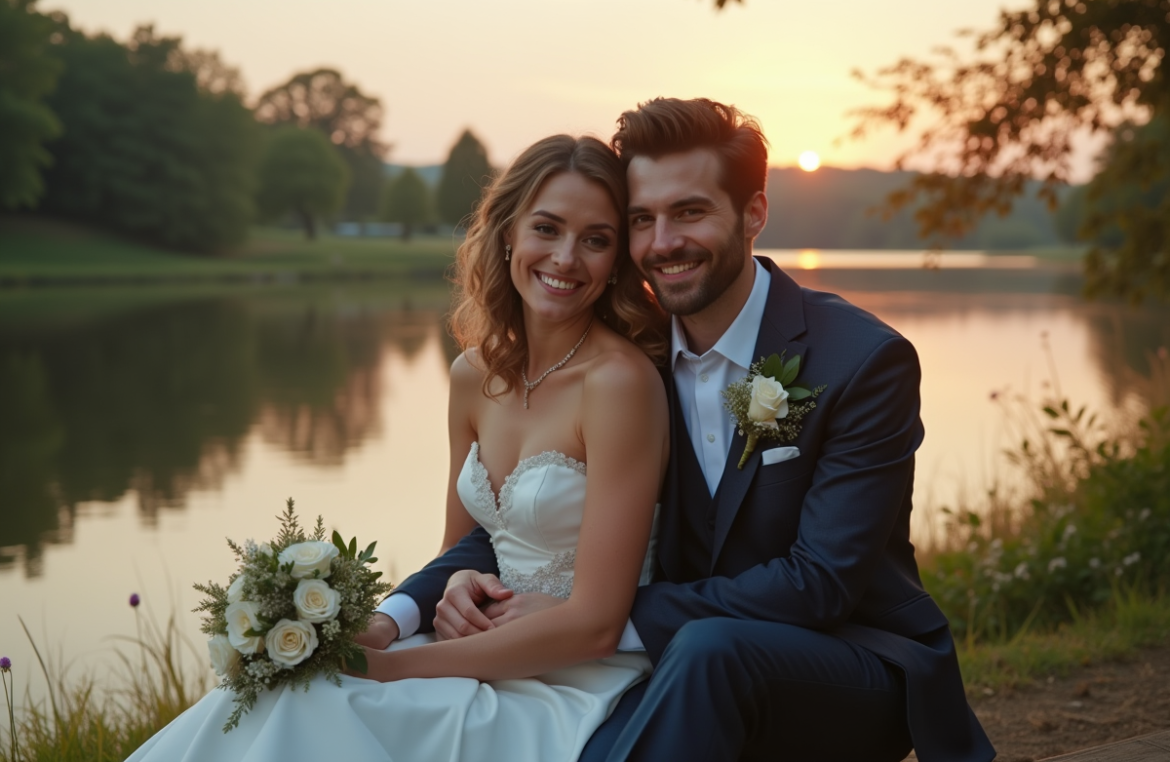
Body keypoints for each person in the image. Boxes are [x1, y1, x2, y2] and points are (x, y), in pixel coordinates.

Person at [380, 98, 996, 762]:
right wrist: (409, 607)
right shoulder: (625, 363)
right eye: (642, 219)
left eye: (690, 212)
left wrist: (608, 618)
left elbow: (820, 582)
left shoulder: (861, 361)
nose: (663, 242)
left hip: (849, 664)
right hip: (663, 664)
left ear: (754, 213)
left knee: (710, 649)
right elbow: (524, 525)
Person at [125, 134, 671, 762]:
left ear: (616, 260)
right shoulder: (473, 375)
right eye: (546, 228)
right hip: (470, 645)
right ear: (508, 234)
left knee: (334, 700)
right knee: (287, 686)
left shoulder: (620, 385)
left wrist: (396, 669)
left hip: (571, 673)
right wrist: (412, 610)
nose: (567, 257)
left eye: (596, 240)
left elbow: (598, 623)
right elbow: (464, 547)